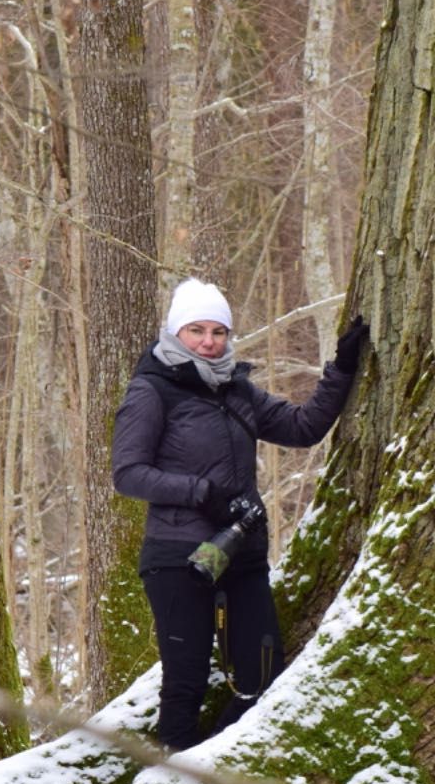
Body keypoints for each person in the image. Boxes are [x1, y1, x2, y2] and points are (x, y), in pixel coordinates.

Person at [111, 278, 368, 750]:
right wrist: (202, 493)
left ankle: (219, 768)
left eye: (218, 332)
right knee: (185, 681)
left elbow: (303, 427)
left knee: (263, 671)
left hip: (241, 554)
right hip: (177, 558)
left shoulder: (238, 391)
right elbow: (128, 473)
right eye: (196, 330)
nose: (209, 342)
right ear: (174, 333)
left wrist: (344, 368)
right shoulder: (152, 391)